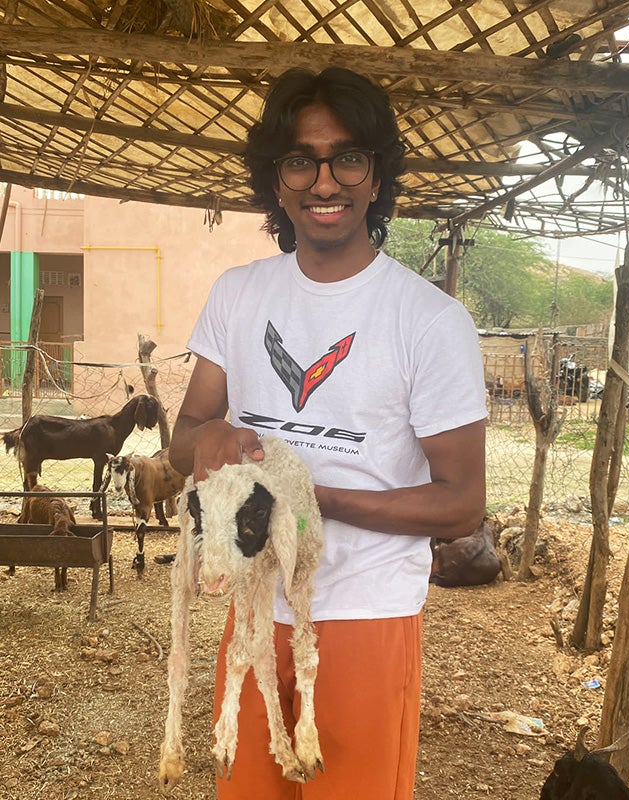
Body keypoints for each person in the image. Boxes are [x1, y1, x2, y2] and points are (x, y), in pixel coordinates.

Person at [169, 66, 487, 800]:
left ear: (376, 178)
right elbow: (185, 435)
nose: (324, 181)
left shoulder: (428, 321)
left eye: (348, 157)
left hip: (365, 616)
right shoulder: (238, 294)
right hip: (254, 606)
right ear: (275, 181)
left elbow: (462, 503)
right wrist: (208, 439)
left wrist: (313, 500)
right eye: (300, 161)